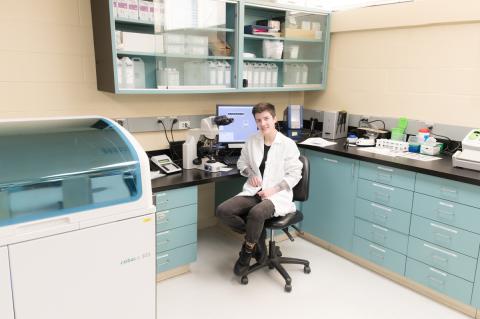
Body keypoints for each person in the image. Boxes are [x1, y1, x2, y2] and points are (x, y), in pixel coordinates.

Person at [216, 102, 303, 276]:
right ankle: (256, 241)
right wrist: (250, 173)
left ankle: (247, 253)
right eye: (258, 120)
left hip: (277, 195)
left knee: (256, 213)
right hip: (254, 190)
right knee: (223, 211)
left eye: (266, 119)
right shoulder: (252, 140)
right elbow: (242, 162)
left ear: (274, 119)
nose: (263, 124)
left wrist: (273, 190)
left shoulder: (287, 144)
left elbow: (295, 174)